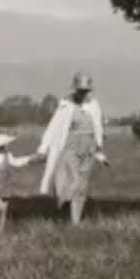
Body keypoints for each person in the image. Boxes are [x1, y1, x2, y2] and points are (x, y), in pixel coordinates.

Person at [35, 71, 107, 226]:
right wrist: (43, 148)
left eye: (86, 91)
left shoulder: (94, 105)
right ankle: (62, 204)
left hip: (89, 146)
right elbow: (53, 127)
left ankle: (75, 221)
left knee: (82, 185)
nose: (83, 94)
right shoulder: (66, 104)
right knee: (71, 180)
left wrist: (99, 147)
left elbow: (97, 126)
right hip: (70, 145)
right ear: (75, 89)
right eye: (80, 90)